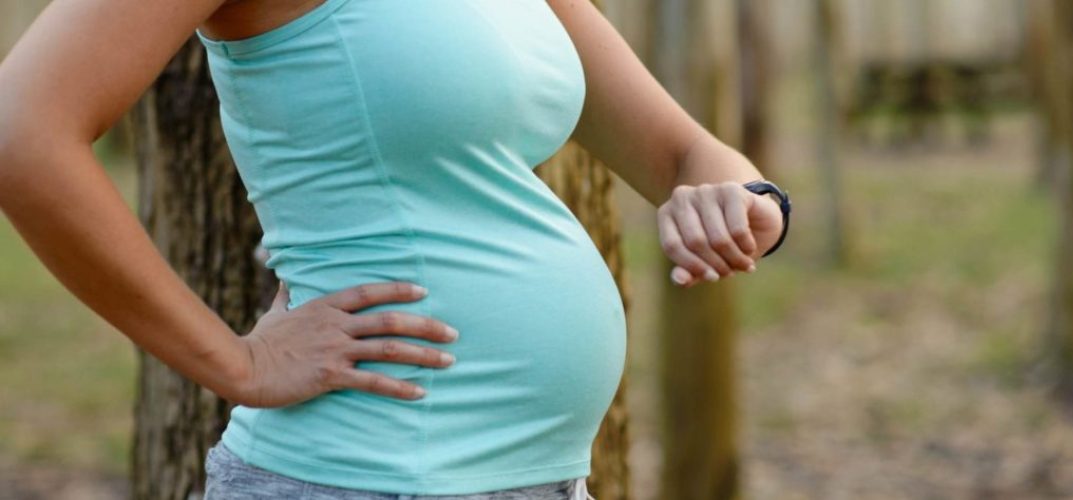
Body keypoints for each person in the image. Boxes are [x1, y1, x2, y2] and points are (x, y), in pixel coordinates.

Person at [0, 0, 787, 498]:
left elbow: (683, 155)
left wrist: (745, 204)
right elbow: (22, 133)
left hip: (537, 478)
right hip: (363, 475)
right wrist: (234, 364)